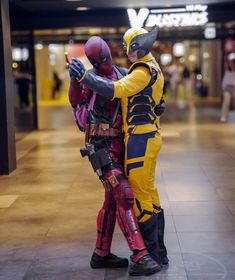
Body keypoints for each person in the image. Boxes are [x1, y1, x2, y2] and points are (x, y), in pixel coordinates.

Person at [68, 26, 169, 268]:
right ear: (93, 60)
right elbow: (78, 107)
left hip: (122, 143)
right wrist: (77, 80)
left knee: (113, 201)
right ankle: (141, 254)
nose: (104, 61)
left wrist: (156, 103)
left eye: (105, 56)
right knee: (124, 194)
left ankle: (101, 254)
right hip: (100, 146)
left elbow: (132, 91)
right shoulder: (88, 79)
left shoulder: (123, 72)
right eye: (99, 58)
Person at [220, 53, 235, 122]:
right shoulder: (227, 71)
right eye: (231, 62)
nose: (232, 64)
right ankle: (223, 116)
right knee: (226, 103)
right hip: (227, 88)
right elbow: (224, 81)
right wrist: (223, 89)